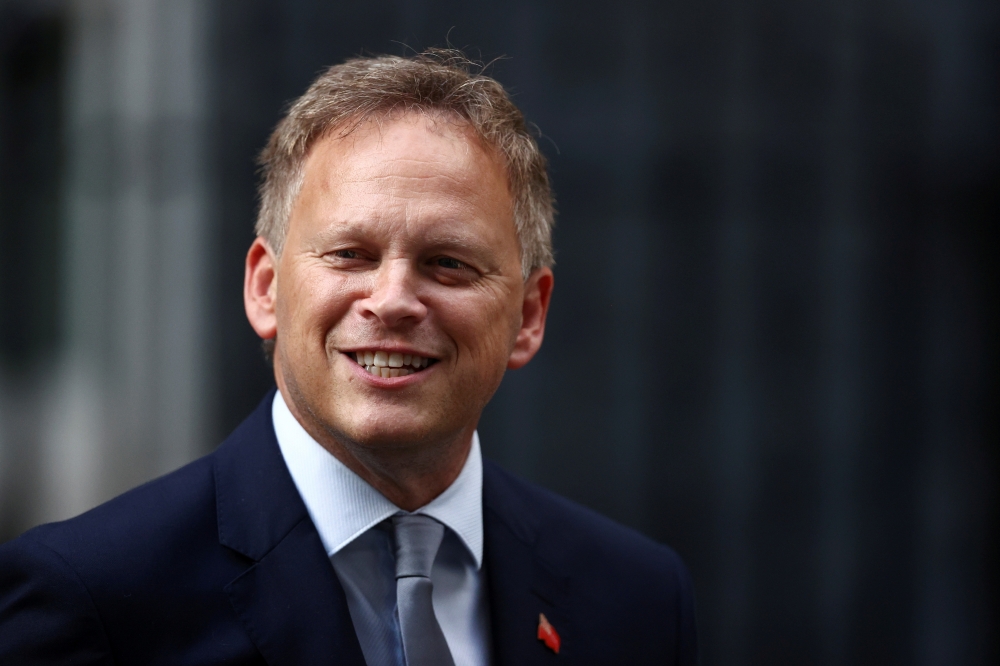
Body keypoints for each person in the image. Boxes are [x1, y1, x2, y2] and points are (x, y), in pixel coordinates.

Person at [0, 50, 697, 665]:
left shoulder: (635, 600)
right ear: (266, 289)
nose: (392, 299)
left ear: (529, 316)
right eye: (348, 255)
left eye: (447, 263)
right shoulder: (93, 597)